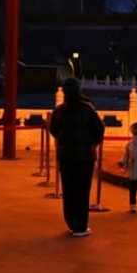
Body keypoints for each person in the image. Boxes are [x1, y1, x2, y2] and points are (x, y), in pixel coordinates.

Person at [49, 77, 104, 236]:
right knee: (82, 190)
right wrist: (91, 144)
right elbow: (99, 130)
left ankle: (72, 223)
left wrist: (64, 141)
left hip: (66, 156)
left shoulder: (59, 110)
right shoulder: (87, 109)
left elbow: (53, 129)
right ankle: (81, 226)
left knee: (69, 189)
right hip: (85, 156)